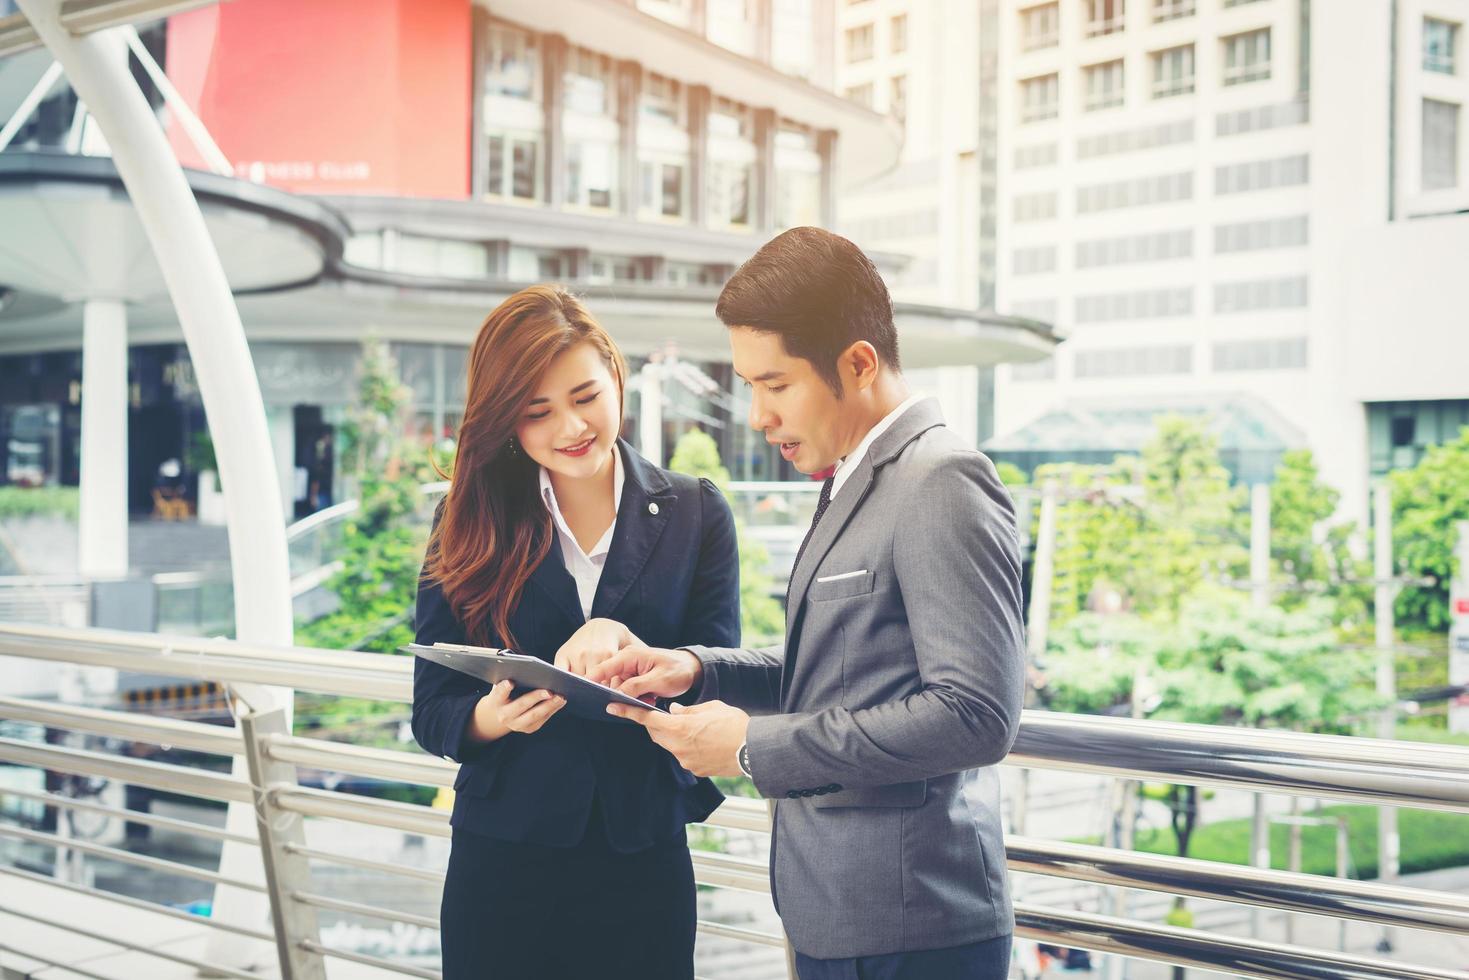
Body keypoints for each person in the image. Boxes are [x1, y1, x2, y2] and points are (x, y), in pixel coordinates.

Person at [584, 227, 1026, 978]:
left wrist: (755, 748)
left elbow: (975, 715)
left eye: (775, 384)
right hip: (836, 914)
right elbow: (846, 663)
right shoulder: (853, 475)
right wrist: (696, 670)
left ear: (856, 363)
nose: (757, 414)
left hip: (913, 924)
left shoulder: (941, 480)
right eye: (750, 385)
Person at [410, 285, 739, 980]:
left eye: (585, 396)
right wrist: (489, 719)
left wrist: (640, 647)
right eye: (537, 412)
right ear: (505, 421)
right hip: (503, 856)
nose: (570, 427)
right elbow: (432, 709)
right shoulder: (469, 518)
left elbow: (721, 673)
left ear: (615, 375)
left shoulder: (694, 512)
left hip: (640, 850)